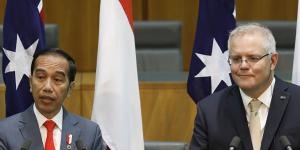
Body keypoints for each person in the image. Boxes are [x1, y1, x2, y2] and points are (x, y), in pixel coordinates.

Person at [190, 23, 300, 150]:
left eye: (253, 58)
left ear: (273, 61)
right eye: (236, 59)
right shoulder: (209, 110)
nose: (243, 66)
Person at [0, 49, 103, 150]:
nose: (47, 87)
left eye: (57, 79)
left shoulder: (90, 133)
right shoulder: (5, 132)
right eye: (40, 77)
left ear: (70, 88)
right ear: (31, 83)